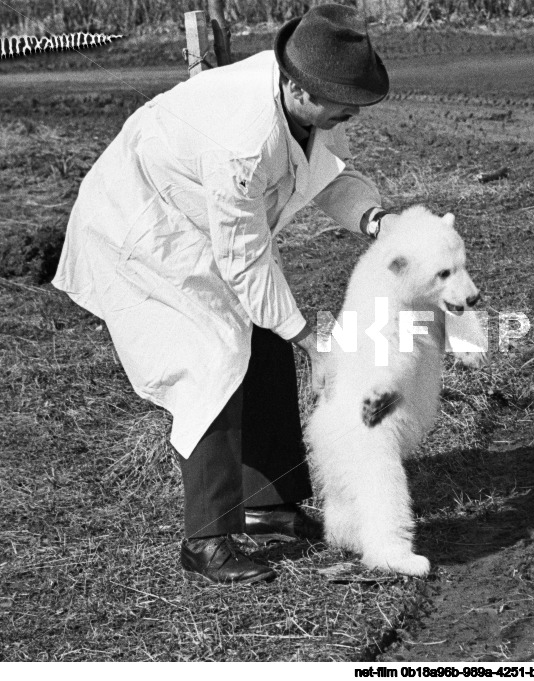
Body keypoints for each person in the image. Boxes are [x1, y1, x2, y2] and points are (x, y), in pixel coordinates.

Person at [52, 4, 399, 584]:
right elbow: (245, 260)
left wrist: (375, 220)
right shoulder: (243, 134)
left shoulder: (294, 101)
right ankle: (206, 539)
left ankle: (268, 503)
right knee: (212, 359)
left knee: (264, 331)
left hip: (197, 221)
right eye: (345, 103)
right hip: (142, 230)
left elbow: (327, 177)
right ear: (299, 88)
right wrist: (313, 339)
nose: (351, 115)